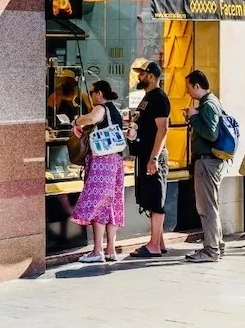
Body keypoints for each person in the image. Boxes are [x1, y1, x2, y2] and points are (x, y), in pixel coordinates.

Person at [70, 80, 126, 263]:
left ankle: (97, 251)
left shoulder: (101, 108)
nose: (92, 96)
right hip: (116, 161)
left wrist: (77, 121)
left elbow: (92, 119)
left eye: (93, 92)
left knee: (98, 203)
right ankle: (110, 250)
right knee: (111, 205)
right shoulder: (115, 110)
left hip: (102, 162)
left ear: (100, 94)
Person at [127, 61, 171, 259]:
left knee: (155, 198)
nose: (139, 77)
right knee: (150, 198)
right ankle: (159, 242)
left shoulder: (159, 98)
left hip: (153, 155)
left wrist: (154, 157)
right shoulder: (147, 97)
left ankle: (153, 245)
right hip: (145, 154)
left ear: (152, 76)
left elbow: (163, 129)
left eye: (142, 74)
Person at [185, 70, 224, 264]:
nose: (187, 91)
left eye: (188, 87)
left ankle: (211, 250)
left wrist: (193, 117)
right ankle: (217, 245)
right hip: (211, 161)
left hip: (207, 161)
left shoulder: (208, 104)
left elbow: (211, 133)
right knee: (211, 205)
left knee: (206, 207)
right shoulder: (211, 102)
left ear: (196, 86)